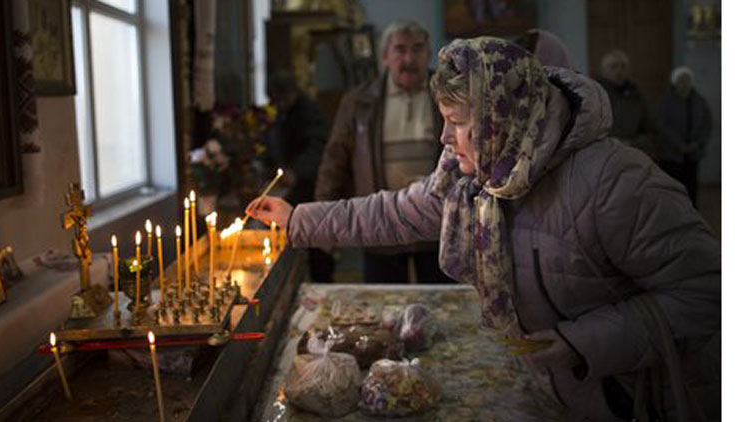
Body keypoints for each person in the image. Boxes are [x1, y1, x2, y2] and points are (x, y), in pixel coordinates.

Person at [249, 37, 720, 421]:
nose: (443, 138)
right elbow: (394, 212)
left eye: (455, 122)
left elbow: (709, 292)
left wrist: (583, 343)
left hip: (637, 398)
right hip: (560, 394)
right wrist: (298, 219)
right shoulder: (476, 177)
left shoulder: (616, 183)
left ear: (500, 120)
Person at [314, 19, 452, 283]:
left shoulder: (451, 93)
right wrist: (323, 222)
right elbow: (334, 163)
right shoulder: (358, 101)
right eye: (400, 49)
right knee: (384, 309)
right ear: (385, 56)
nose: (409, 58)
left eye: (418, 49)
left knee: (443, 307)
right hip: (381, 225)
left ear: (428, 53)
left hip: (439, 227)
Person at [265, 71, 335, 282]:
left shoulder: (309, 112)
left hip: (311, 186)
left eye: (282, 99)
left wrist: (297, 171)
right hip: (292, 188)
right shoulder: (281, 111)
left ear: (291, 92)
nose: (279, 104)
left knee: (316, 242)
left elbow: (319, 147)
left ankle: (323, 285)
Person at [654, 66, 712, 206]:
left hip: (693, 153)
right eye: (681, 79)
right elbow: (661, 124)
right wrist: (678, 144)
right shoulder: (665, 101)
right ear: (674, 82)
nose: (684, 83)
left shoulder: (700, 101)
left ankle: (691, 212)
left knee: (691, 185)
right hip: (670, 153)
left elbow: (707, 124)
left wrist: (697, 143)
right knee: (672, 186)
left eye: (687, 79)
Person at [596, 50, 658, 159]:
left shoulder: (638, 97)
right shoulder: (594, 96)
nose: (619, 71)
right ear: (603, 71)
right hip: (603, 156)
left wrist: (632, 143)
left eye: (623, 66)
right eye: (613, 66)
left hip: (632, 155)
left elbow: (650, 132)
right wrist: (612, 143)